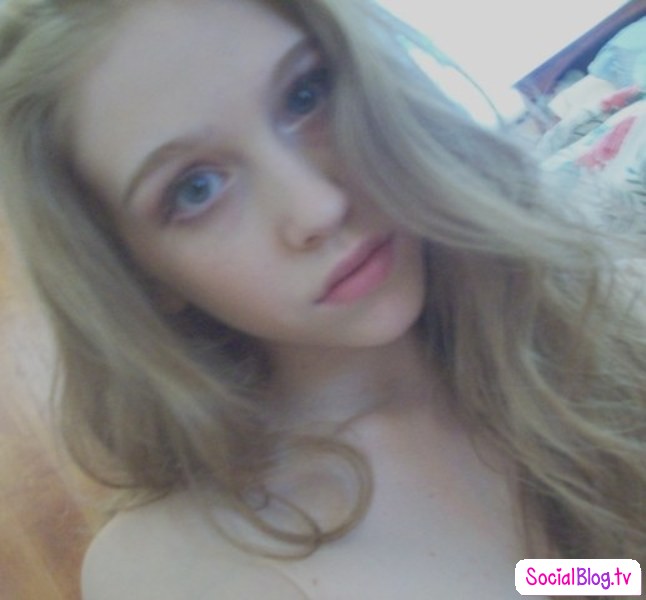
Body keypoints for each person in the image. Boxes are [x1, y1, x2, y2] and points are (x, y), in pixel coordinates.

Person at [0, 0, 645, 598]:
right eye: (196, 189)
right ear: (137, 274)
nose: (319, 206)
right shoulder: (173, 568)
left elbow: (569, 578)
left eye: (305, 95)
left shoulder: (584, 310)